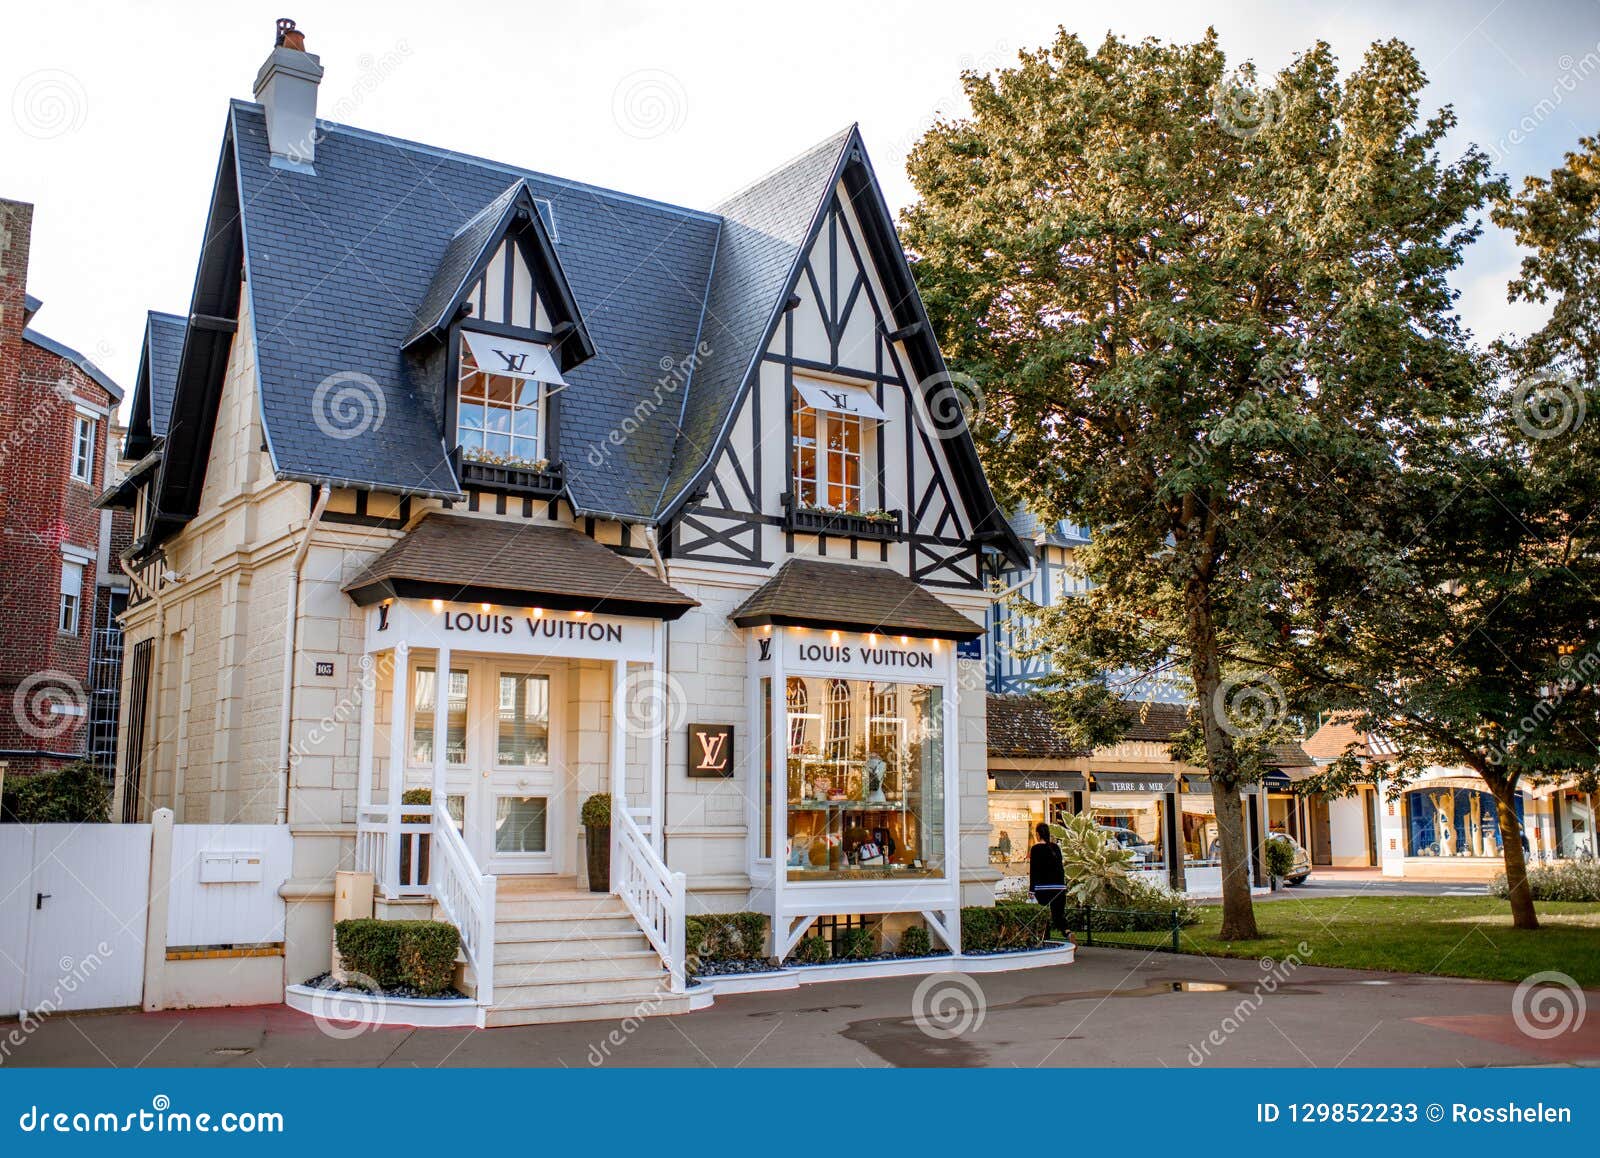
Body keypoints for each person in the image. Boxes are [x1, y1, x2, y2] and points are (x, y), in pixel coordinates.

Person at [1029, 822, 1070, 939]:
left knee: (1043, 914)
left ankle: (1045, 939)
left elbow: (1034, 870)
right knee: (1058, 915)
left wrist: (1032, 889)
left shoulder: (1036, 849)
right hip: (1059, 887)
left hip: (1043, 888)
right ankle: (1068, 932)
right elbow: (1061, 868)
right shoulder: (1055, 847)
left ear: (1037, 834)